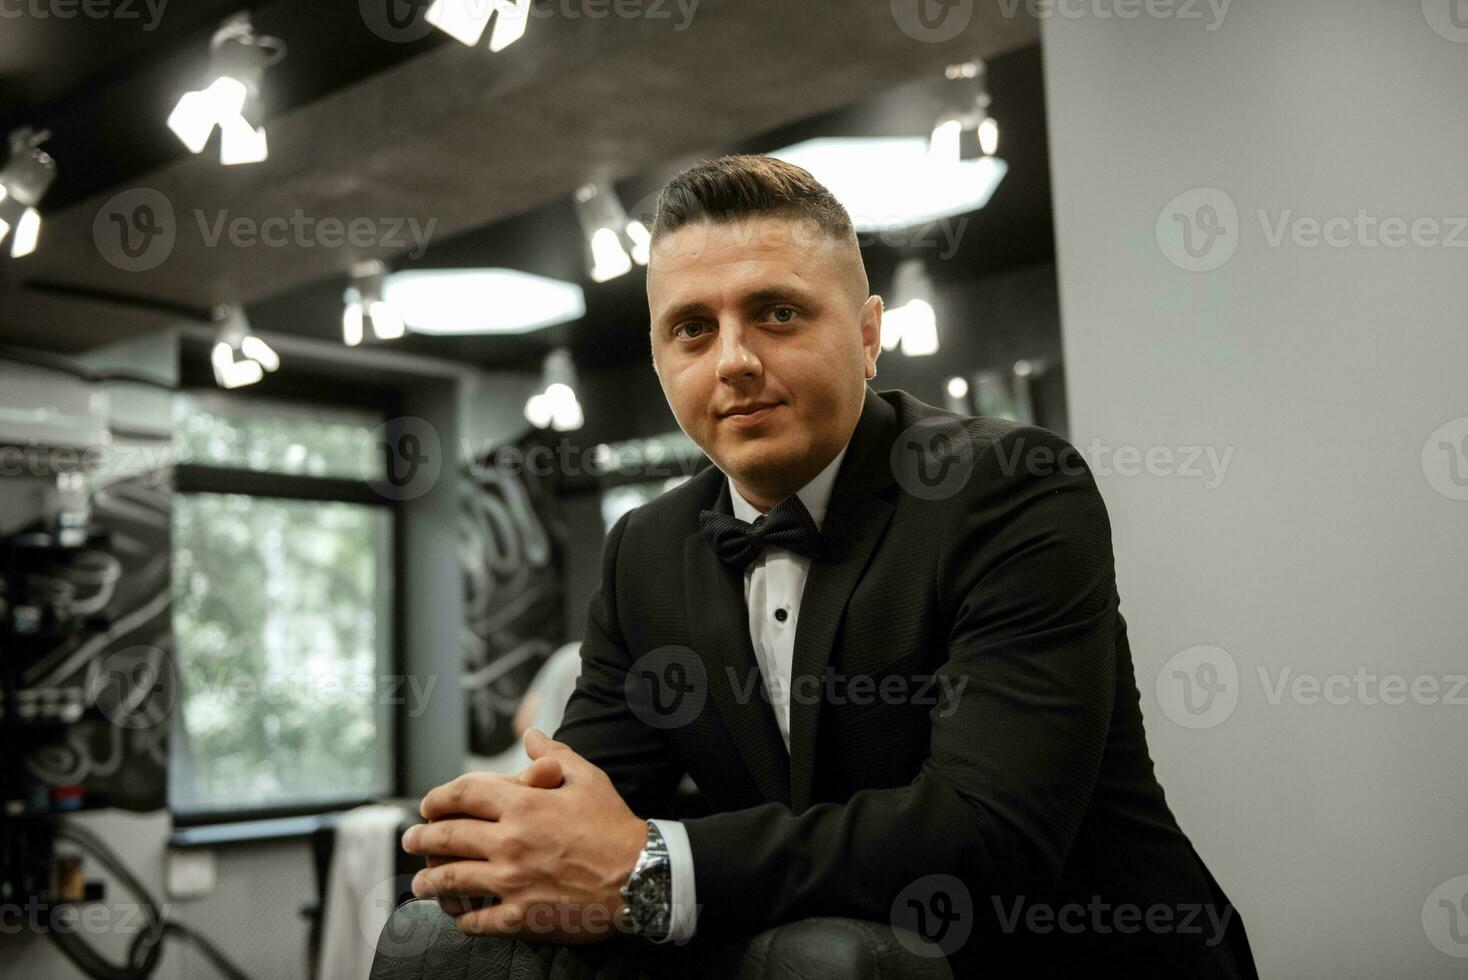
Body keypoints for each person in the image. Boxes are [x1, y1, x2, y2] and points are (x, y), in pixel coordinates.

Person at [400, 155, 1259, 978]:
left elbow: (989, 834)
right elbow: (581, 809)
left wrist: (656, 867)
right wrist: (506, 844)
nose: (732, 359)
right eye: (692, 328)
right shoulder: (646, 551)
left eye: (776, 313)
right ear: (662, 361)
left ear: (867, 334)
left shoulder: (1009, 488)